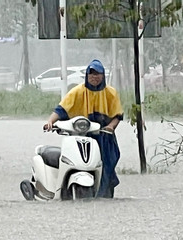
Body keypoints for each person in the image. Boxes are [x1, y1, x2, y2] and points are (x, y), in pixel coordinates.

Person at [44, 59, 124, 198]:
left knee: (107, 167)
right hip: (82, 135)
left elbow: (118, 115)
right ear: (87, 75)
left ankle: (103, 194)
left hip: (104, 136)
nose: (94, 77)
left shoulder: (111, 93)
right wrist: (50, 122)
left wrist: (111, 127)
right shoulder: (77, 91)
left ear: (103, 76)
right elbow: (61, 109)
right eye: (91, 74)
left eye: (98, 74)